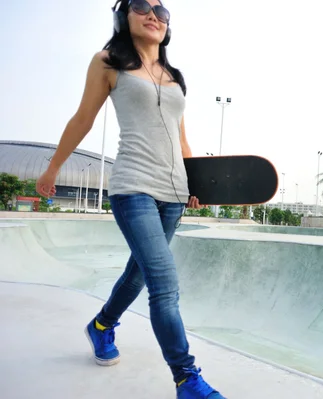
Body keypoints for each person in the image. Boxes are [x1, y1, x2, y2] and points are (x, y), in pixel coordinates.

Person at [35, 1, 226, 398]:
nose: (154, 13)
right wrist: (53, 168)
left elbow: (182, 138)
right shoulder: (109, 61)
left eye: (162, 9)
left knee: (137, 275)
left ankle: (101, 325)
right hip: (134, 187)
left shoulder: (174, 76)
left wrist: (197, 186)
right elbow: (83, 117)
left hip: (173, 194)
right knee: (164, 284)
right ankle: (186, 379)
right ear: (125, 16)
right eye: (142, 5)